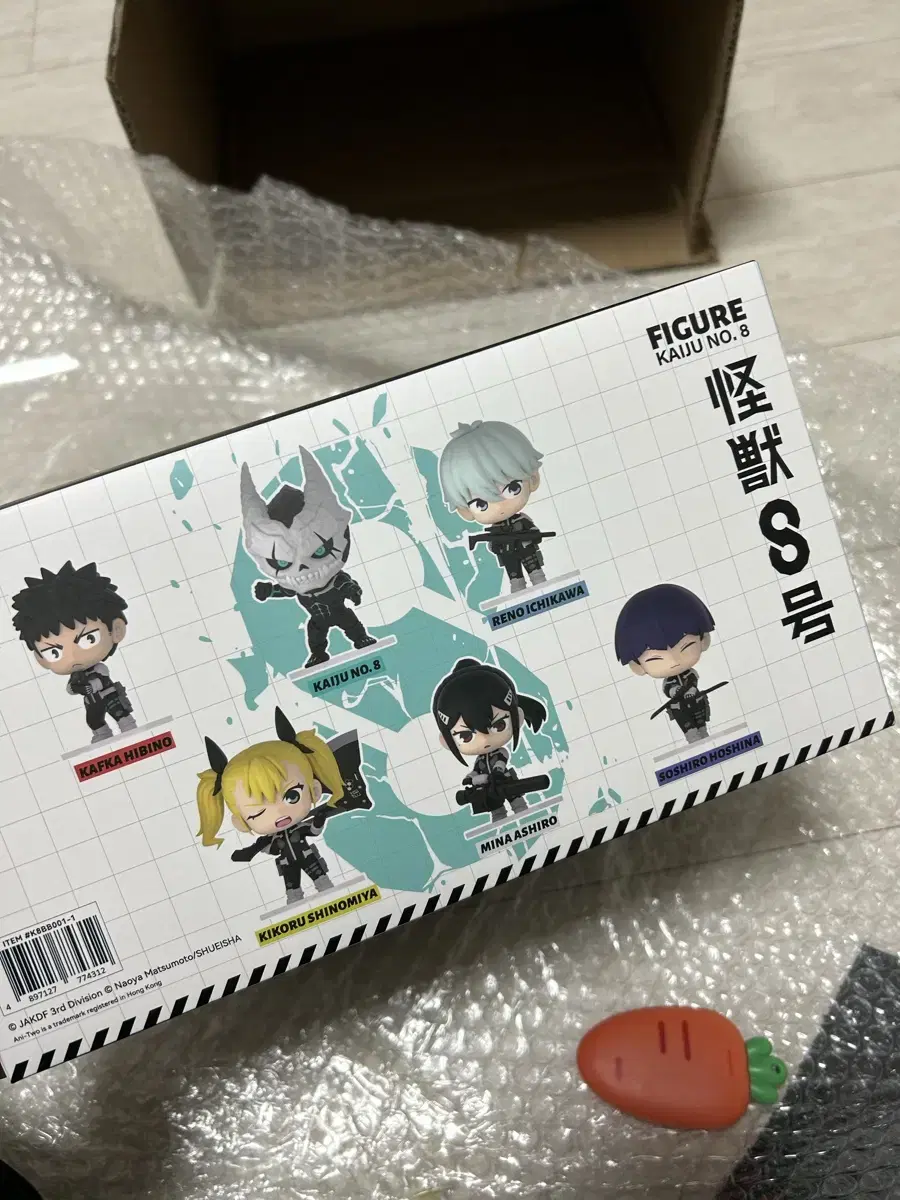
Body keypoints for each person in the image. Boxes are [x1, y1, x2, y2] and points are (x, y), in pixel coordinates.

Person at [197, 708, 371, 905]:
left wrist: (319, 819)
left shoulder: (299, 828)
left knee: (321, 880)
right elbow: (268, 848)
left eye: (292, 796)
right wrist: (253, 850)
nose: (279, 813)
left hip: (308, 857)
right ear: (240, 822)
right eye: (258, 813)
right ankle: (294, 900)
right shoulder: (272, 839)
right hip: (287, 864)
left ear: (314, 790)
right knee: (292, 887)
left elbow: (312, 830)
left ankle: (326, 890)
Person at [241, 448, 376, 669]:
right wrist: (269, 590)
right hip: (317, 618)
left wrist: (353, 591)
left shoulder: (334, 579)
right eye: (282, 562)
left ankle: (361, 639)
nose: (303, 567)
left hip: (339, 610)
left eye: (319, 550)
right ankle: (318, 654)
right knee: (315, 634)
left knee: (351, 624)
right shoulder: (296, 585)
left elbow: (345, 583)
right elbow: (285, 590)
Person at [11, 561, 136, 744]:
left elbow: (101, 679)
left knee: (119, 713)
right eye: (54, 652)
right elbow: (70, 689)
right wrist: (77, 688)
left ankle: (130, 729)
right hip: (92, 702)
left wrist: (89, 687)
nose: (73, 657)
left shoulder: (99, 669)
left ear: (116, 630)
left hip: (108, 695)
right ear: (41, 658)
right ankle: (102, 736)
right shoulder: (76, 676)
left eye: (89, 638)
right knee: (94, 721)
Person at [438, 420, 549, 594]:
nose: (499, 504)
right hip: (508, 555)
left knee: (535, 571)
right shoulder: (495, 531)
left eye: (513, 488)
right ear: (465, 511)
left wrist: (532, 536)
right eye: (480, 504)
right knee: (515, 577)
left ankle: (540, 583)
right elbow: (493, 546)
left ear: (533, 478)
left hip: (527, 551)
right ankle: (518, 589)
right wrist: (498, 544)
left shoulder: (521, 521)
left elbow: (533, 532)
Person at [432, 658, 548, 822]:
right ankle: (499, 821)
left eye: (499, 725)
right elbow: (476, 770)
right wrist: (470, 777)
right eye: (465, 736)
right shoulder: (480, 759)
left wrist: (498, 772)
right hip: (488, 787)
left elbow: (501, 762)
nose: (484, 739)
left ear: (518, 716)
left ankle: (524, 816)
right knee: (495, 808)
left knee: (518, 803)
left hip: (505, 781)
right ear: (446, 741)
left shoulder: (500, 753)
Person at [615, 583, 716, 744]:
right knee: (680, 713)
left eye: (686, 647)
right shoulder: (669, 682)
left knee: (700, 708)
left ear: (703, 639)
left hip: (694, 699)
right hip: (679, 704)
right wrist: (675, 691)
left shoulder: (690, 674)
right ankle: (690, 733)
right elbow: (668, 688)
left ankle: (702, 729)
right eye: (655, 659)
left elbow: (693, 680)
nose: (674, 661)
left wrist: (691, 690)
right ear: (638, 666)